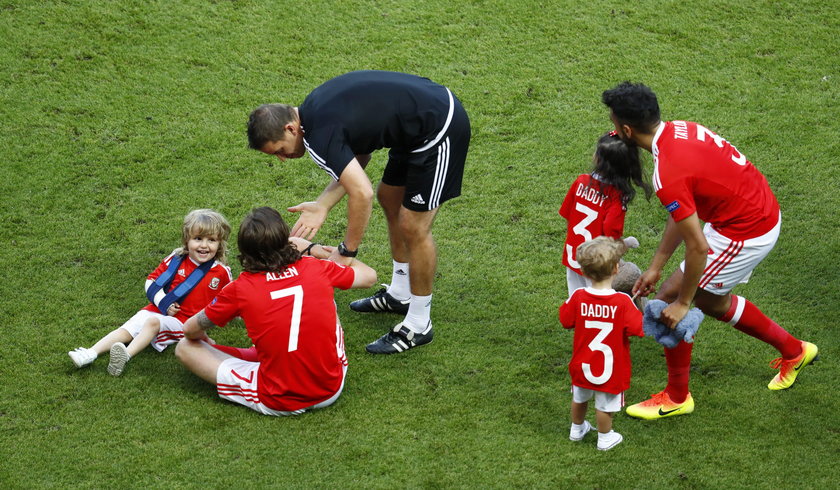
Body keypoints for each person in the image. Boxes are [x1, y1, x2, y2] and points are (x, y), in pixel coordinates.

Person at [601, 81, 819, 420]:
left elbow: (697, 246)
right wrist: (657, 265)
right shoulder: (682, 130)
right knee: (712, 300)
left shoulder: (667, 173)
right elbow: (686, 212)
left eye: (614, 123)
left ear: (626, 129)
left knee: (669, 302)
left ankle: (676, 397)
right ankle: (795, 350)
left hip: (744, 232)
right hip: (751, 210)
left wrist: (683, 302)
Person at [246, 70, 470, 354]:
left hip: (439, 128)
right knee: (389, 198)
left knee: (414, 226)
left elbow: (360, 192)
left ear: (291, 129)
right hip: (414, 126)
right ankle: (400, 294)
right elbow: (359, 155)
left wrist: (347, 251)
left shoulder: (317, 135)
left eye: (279, 150)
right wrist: (323, 204)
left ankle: (418, 322)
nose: (281, 158)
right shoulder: (312, 111)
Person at [175, 207, 377, 416]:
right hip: (331, 386)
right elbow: (369, 276)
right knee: (326, 298)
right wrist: (313, 248)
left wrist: (204, 340)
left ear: (244, 249)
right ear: (286, 240)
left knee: (185, 348)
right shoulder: (315, 266)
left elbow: (190, 330)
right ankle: (258, 355)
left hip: (278, 398)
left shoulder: (239, 288)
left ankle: (257, 361)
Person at [68, 209, 232, 376]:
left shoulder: (220, 272)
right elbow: (152, 282)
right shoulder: (176, 258)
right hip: (159, 308)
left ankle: (125, 356)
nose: (204, 245)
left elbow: (231, 297)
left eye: (211, 240)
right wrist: (164, 303)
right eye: (198, 239)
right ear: (187, 240)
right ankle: (90, 353)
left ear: (219, 244)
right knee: (129, 327)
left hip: (187, 322)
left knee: (153, 323)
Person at [559, 237, 643, 451]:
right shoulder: (622, 302)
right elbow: (639, 328)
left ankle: (576, 429)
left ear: (584, 273)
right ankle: (605, 437)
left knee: (579, 398)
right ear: (616, 269)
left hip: (582, 364)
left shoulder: (578, 296)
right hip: (610, 369)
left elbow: (565, 320)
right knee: (604, 406)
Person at [559, 130, 651, 296]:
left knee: (576, 298)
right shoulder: (616, 197)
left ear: (599, 159)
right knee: (599, 301)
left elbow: (567, 214)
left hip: (573, 256)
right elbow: (611, 235)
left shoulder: (580, 181)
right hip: (597, 263)